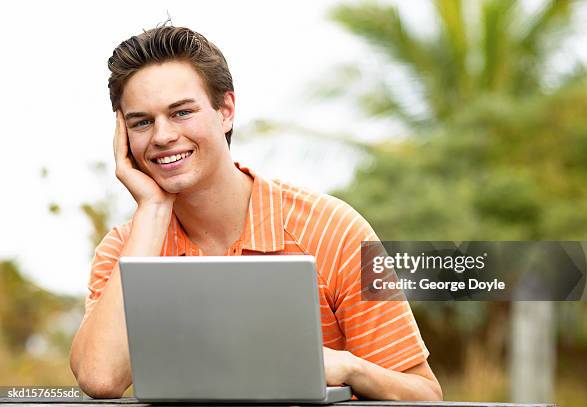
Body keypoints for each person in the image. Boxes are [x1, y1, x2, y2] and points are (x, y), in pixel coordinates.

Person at [69, 25, 442, 401]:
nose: (162, 136)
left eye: (181, 112)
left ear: (226, 111)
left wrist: (350, 367)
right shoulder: (125, 249)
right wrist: (152, 209)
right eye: (142, 122)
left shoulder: (334, 229)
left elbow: (425, 395)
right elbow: (100, 379)